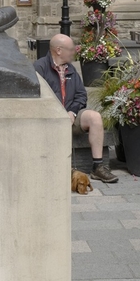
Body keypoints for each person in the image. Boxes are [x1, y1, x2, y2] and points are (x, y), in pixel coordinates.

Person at [34, 34, 118, 184]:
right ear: (59, 50)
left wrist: (72, 112)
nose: (74, 52)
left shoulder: (71, 69)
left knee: (95, 117)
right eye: (71, 49)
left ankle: (98, 167)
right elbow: (37, 97)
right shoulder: (40, 67)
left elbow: (81, 95)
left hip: (71, 115)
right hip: (49, 119)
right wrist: (58, 114)